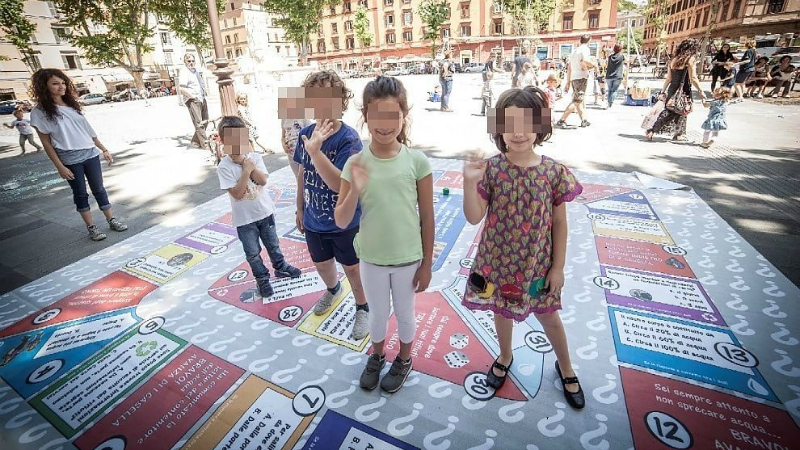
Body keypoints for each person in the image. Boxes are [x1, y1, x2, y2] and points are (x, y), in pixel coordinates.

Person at [463, 86, 585, 408]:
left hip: (537, 264)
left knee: (549, 316)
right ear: (498, 126)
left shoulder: (554, 172)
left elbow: (560, 223)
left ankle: (566, 367)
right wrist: (468, 182)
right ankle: (505, 355)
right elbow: (474, 217)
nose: (518, 132)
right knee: (500, 311)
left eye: (527, 123)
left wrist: (557, 267)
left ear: (541, 125)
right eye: (509, 123)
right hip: (497, 263)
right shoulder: (491, 169)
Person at [334, 76, 434, 393]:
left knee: (405, 314)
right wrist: (355, 188)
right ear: (365, 116)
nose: (385, 124)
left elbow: (427, 216)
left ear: (404, 116)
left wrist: (427, 263)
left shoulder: (417, 161)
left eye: (393, 115)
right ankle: (376, 355)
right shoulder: (355, 163)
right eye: (377, 115)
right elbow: (341, 219)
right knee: (377, 315)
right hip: (371, 258)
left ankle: (404, 359)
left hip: (408, 259)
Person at [293, 70, 369, 340]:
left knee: (353, 268)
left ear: (340, 101)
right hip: (314, 220)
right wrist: (299, 207)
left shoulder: (349, 139)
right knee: (322, 264)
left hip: (345, 222)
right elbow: (302, 172)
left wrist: (316, 151)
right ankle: (333, 289)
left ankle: (363, 306)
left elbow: (340, 184)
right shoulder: (305, 134)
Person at [29, 68, 127, 241]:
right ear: (44, 86)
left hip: (90, 153)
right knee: (81, 193)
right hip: (69, 158)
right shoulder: (39, 112)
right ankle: (91, 228)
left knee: (99, 189)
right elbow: (46, 143)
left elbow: (88, 131)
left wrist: (103, 149)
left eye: (63, 83)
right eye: (55, 84)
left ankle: (111, 219)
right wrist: (60, 167)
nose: (61, 87)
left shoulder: (71, 105)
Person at [216, 116, 302, 298]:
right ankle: (262, 279)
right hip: (244, 221)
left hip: (265, 213)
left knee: (273, 245)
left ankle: (280, 266)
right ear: (223, 141)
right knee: (253, 253)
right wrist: (245, 170)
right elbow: (237, 193)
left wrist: (248, 164)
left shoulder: (254, 157)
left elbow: (262, 180)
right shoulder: (224, 167)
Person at [645, 38, 707, 142]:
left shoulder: (673, 60)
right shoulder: (690, 59)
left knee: (673, 110)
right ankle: (654, 130)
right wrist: (701, 91)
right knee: (680, 110)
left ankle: (678, 134)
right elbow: (693, 78)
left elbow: (669, 78)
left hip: (672, 88)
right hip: (684, 89)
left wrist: (663, 91)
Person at [557, 34, 595, 128]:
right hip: (581, 77)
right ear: (589, 41)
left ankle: (584, 120)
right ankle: (562, 119)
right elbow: (585, 61)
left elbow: (569, 67)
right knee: (577, 100)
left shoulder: (574, 51)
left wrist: (568, 81)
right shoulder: (585, 49)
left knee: (579, 99)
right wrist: (593, 65)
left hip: (574, 77)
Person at [278, 88, 312, 179]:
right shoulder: (284, 118)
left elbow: (311, 133)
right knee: (297, 176)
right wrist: (284, 146)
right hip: (291, 153)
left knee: (305, 175)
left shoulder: (304, 117)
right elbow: (283, 136)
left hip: (303, 152)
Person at [178, 53, 208, 149]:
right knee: (199, 123)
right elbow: (181, 88)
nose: (191, 63)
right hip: (193, 99)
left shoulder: (195, 71)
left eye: (193, 61)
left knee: (205, 120)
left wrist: (204, 92)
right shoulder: (184, 71)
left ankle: (195, 141)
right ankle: (205, 144)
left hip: (201, 98)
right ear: (185, 62)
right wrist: (192, 97)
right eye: (189, 61)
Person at [605, 44, 625, 108]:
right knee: (614, 90)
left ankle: (609, 103)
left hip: (609, 76)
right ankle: (610, 102)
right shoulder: (622, 56)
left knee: (610, 90)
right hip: (617, 76)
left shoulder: (610, 57)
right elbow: (628, 61)